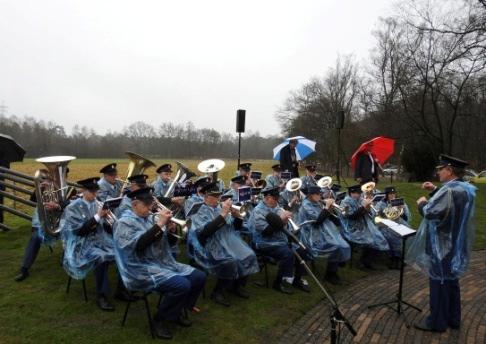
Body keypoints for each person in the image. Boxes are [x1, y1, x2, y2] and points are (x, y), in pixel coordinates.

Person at [113, 187, 205, 340]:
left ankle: (178, 310)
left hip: (162, 262)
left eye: (151, 204)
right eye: (146, 204)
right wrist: (159, 225)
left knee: (199, 277)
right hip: (139, 269)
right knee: (182, 285)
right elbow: (138, 246)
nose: (150, 208)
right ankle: (159, 320)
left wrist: (170, 231)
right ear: (135, 204)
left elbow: (167, 244)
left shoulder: (151, 219)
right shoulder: (124, 223)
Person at [406, 154, 476, 333]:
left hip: (441, 244)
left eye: (440, 169)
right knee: (452, 281)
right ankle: (453, 318)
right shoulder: (465, 188)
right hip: (455, 244)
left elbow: (431, 212)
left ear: (450, 170)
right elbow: (451, 202)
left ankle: (436, 322)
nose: (438, 173)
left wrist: (422, 203)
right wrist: (435, 190)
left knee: (439, 282)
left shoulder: (449, 191)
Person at [188, 182, 259, 307]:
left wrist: (238, 217)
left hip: (227, 241)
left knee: (249, 255)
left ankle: (237, 285)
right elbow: (204, 233)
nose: (218, 198)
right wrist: (222, 215)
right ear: (205, 196)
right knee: (229, 261)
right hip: (208, 245)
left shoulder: (221, 208)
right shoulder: (198, 210)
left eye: (219, 195)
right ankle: (217, 291)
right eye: (214, 196)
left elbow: (235, 228)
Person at [61, 177, 122, 311]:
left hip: (100, 241)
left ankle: (121, 290)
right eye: (92, 192)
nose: (95, 195)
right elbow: (79, 231)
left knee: (122, 251)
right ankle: (102, 295)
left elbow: (106, 230)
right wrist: (98, 217)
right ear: (83, 191)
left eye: (96, 192)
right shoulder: (73, 207)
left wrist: (107, 221)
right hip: (80, 245)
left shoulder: (98, 204)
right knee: (101, 258)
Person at [249, 186, 310, 294]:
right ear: (267, 198)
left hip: (281, 240)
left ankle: (297, 279)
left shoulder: (276, 207)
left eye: (278, 199)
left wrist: (287, 221)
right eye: (275, 198)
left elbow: (285, 227)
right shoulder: (258, 211)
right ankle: (278, 283)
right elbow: (265, 231)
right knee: (287, 254)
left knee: (302, 249)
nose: (277, 201)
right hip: (265, 242)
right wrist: (281, 220)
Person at [14, 172, 66, 281]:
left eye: (59, 176)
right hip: (45, 225)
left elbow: (68, 205)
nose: (55, 179)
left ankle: (65, 259)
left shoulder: (66, 190)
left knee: (71, 233)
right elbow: (33, 199)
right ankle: (24, 269)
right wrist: (39, 189)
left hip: (62, 224)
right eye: (55, 176)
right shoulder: (45, 189)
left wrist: (57, 206)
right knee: (35, 237)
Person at [297, 186, 351, 284]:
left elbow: (332, 219)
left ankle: (335, 266)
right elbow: (317, 221)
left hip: (323, 231)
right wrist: (326, 208)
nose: (320, 196)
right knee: (336, 246)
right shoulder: (305, 205)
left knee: (343, 244)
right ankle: (330, 274)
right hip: (311, 235)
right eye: (318, 194)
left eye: (320, 194)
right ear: (310, 195)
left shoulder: (316, 203)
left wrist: (331, 209)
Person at [339, 185, 389, 270]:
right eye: (356, 193)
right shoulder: (345, 202)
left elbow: (370, 215)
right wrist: (363, 207)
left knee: (379, 238)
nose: (359, 195)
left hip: (363, 225)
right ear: (351, 193)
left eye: (359, 193)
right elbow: (351, 216)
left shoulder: (360, 200)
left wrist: (369, 208)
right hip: (351, 227)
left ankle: (367, 260)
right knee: (370, 241)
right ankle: (362, 262)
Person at [374, 186, 411, 269]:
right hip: (385, 225)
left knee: (401, 234)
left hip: (399, 224)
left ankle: (399, 258)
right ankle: (393, 258)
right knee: (390, 236)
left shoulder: (400, 203)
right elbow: (377, 216)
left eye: (393, 193)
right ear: (386, 195)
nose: (392, 196)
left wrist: (401, 212)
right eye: (390, 194)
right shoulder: (381, 203)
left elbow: (406, 218)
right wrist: (389, 211)